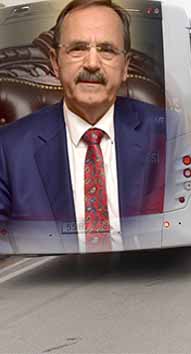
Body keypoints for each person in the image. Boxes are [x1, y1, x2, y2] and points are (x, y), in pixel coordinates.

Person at [0, 0, 166, 253]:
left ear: (125, 66)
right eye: (77, 49)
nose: (92, 63)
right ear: (55, 62)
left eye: (107, 50)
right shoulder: (8, 148)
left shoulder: (168, 134)